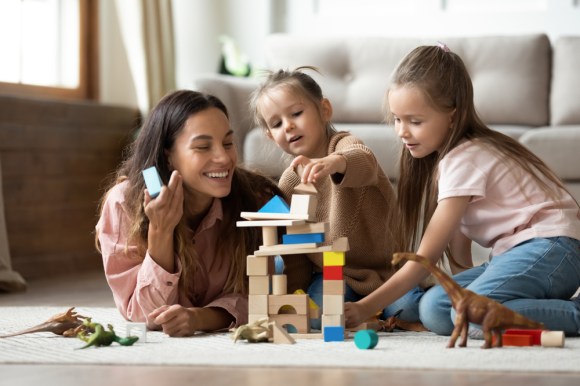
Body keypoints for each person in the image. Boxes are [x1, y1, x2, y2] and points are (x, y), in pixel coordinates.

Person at [344, 43, 580, 336]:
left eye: (415, 121)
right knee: (437, 310)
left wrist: (365, 307)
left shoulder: (464, 158)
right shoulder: (449, 162)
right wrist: (467, 293)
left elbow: (424, 259)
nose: (402, 131)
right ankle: (534, 305)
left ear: (452, 116)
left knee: (469, 314)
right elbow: (458, 256)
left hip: (552, 248)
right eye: (397, 119)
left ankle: (574, 314)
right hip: (525, 256)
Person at [95, 90, 309, 337]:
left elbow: (274, 295)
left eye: (228, 143)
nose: (223, 158)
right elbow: (145, 315)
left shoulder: (258, 199)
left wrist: (201, 318)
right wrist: (160, 231)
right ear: (168, 157)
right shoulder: (124, 204)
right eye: (203, 147)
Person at [250, 66, 417, 330]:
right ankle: (373, 319)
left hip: (390, 272)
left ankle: (383, 315)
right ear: (271, 136)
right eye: (277, 123)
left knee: (415, 307)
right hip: (334, 276)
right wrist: (293, 297)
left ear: (324, 110)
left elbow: (364, 161)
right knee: (319, 314)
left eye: (296, 113)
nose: (289, 125)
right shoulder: (289, 182)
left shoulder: (345, 145)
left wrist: (333, 163)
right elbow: (297, 252)